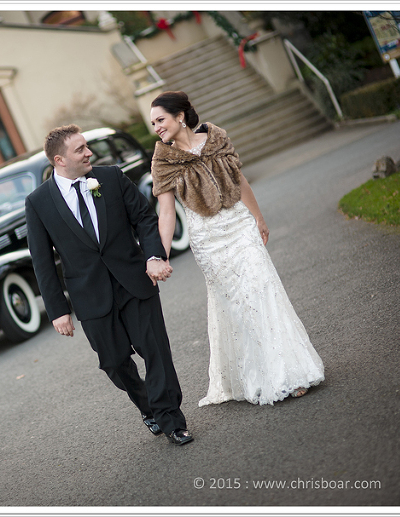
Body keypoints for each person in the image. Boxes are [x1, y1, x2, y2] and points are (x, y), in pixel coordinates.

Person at [149, 91, 324, 406]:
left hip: (240, 225)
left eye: (160, 119)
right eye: (153, 123)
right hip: (208, 240)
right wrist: (161, 255)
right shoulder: (163, 160)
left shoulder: (216, 138)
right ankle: (255, 376)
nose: (156, 127)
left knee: (263, 290)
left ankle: (290, 371)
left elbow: (239, 180)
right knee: (236, 304)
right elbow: (166, 212)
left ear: (180, 116)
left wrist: (258, 217)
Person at [25, 124, 192, 445]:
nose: (89, 153)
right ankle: (148, 406)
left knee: (156, 352)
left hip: (135, 282)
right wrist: (57, 310)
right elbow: (42, 260)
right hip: (90, 296)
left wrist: (154, 255)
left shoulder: (112, 177)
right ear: (59, 160)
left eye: (87, 146)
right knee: (114, 363)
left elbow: (144, 218)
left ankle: (171, 420)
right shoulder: (38, 202)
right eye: (80, 150)